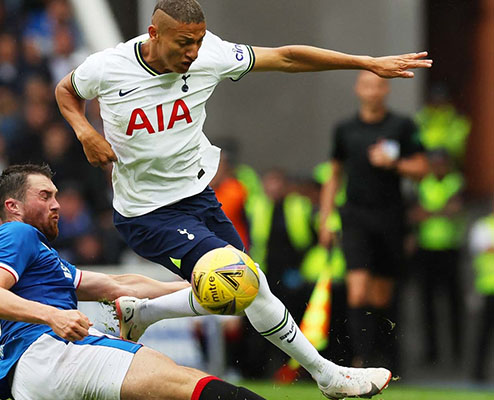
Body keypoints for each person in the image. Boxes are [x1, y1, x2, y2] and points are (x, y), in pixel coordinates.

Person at [54, 0, 430, 397]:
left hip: (198, 197)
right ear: (154, 34)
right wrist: (84, 131)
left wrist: (365, 62)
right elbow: (66, 90)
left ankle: (141, 311)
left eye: (198, 41)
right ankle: (329, 376)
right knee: (241, 281)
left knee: (242, 291)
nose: (193, 52)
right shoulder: (109, 67)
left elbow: (285, 57)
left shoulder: (209, 54)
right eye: (183, 42)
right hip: (147, 213)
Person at [0, 163, 267, 400]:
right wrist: (53, 316)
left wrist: (200, 288)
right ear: (13, 206)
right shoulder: (16, 233)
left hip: (29, 380)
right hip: (54, 355)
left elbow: (119, 286)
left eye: (56, 195)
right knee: (185, 383)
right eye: (45, 196)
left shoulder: (39, 257)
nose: (57, 205)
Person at [318, 71, 429, 371]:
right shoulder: (345, 129)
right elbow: (334, 174)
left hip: (390, 217)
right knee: (357, 288)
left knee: (381, 296)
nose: (372, 91)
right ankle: (360, 360)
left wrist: (393, 163)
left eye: (378, 85)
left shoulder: (402, 126)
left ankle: (387, 359)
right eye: (367, 85)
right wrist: (325, 217)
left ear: (386, 89)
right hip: (355, 216)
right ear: (358, 89)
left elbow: (421, 168)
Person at [409, 150, 465, 364]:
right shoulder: (423, 184)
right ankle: (432, 352)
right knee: (428, 304)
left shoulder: (456, 182)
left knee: (453, 304)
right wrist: (441, 211)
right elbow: (415, 213)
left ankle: (456, 352)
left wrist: (430, 213)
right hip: (427, 249)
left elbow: (456, 208)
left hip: (450, 248)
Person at [469, 199, 494, 382]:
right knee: (483, 334)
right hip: (487, 288)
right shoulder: (483, 226)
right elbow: (484, 247)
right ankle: (477, 374)